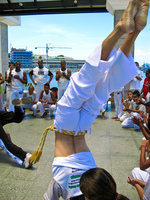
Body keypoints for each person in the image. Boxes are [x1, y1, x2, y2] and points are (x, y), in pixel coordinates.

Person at [43, 0, 149, 199]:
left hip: (83, 132)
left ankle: (133, 31)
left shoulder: (106, 188)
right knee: (84, 81)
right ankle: (122, 29)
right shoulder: (63, 185)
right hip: (66, 128)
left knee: (106, 84)